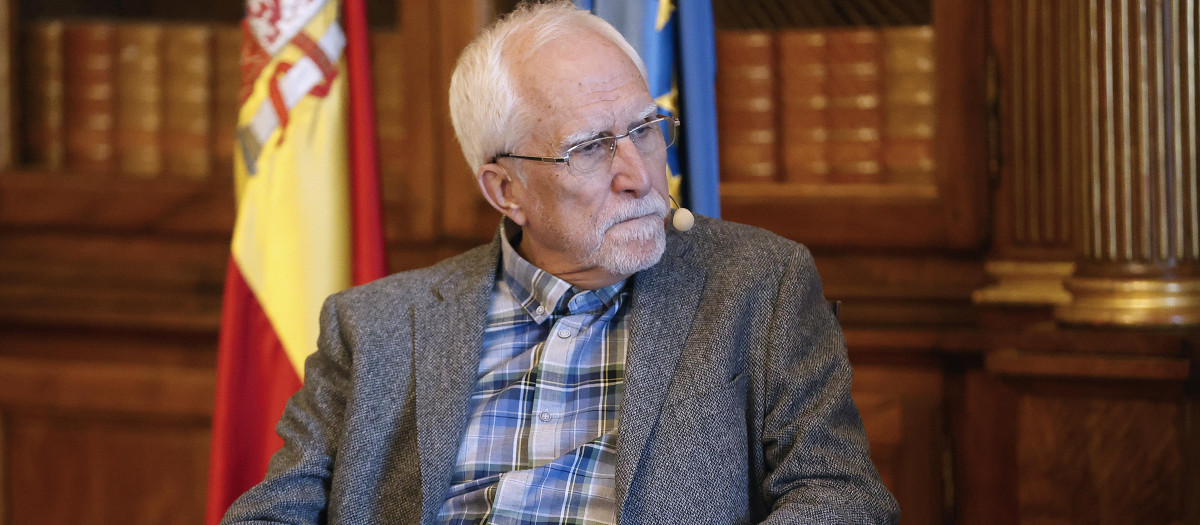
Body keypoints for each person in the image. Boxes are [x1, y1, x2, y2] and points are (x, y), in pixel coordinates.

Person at [222, 2, 898, 523]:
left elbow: (840, 495)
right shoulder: (375, 326)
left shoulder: (759, 285)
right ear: (505, 189)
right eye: (593, 148)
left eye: (645, 129)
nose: (638, 174)